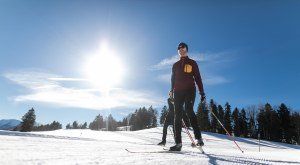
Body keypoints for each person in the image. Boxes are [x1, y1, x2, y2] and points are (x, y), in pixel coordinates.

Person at [169, 42, 206, 151]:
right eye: (179, 48)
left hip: (190, 90)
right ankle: (178, 143)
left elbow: (198, 78)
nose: (181, 49)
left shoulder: (192, 63)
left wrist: (202, 92)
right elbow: (172, 79)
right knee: (177, 116)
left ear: (186, 49)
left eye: (183, 47)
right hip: (178, 92)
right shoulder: (175, 65)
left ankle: (199, 138)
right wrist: (171, 91)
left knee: (189, 111)